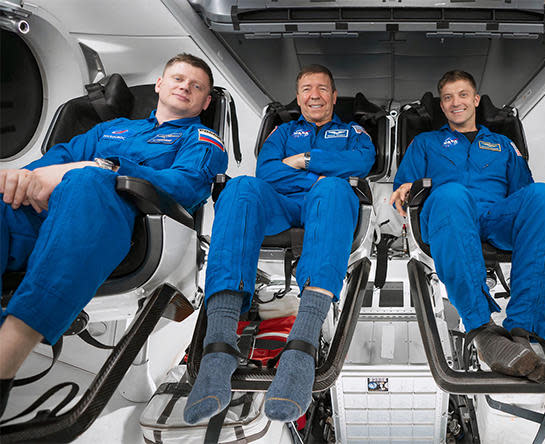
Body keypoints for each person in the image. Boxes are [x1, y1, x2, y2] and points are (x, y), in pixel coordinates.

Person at [0, 53, 228, 415]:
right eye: (177, 79)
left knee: (89, 180)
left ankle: (8, 355)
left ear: (205, 102)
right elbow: (55, 161)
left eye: (196, 86)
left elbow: (185, 186)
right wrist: (21, 178)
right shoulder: (112, 129)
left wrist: (105, 167)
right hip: (48, 219)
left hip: (129, 232)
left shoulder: (203, 138)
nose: (184, 86)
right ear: (159, 85)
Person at [184, 64, 375, 423]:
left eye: (321, 88)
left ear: (334, 97)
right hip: (280, 202)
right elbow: (267, 171)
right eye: (306, 89)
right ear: (298, 96)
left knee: (334, 188)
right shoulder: (282, 131)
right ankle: (219, 346)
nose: (313, 95)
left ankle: (301, 347)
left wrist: (306, 160)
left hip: (328, 200)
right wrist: (327, 167)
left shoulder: (353, 131)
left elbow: (362, 160)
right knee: (240, 187)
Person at [390, 70, 545, 381]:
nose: (456, 102)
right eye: (447, 98)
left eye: (462, 95)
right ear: (442, 107)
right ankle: (481, 328)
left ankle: (525, 328)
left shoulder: (503, 144)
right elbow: (403, 191)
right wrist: (404, 190)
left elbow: (525, 194)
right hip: (447, 216)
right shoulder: (425, 142)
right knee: (453, 194)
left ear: (475, 100)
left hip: (496, 217)